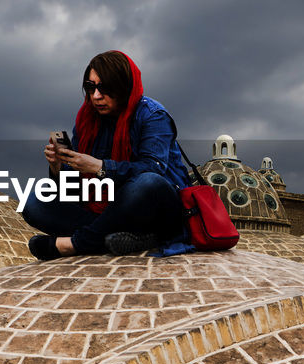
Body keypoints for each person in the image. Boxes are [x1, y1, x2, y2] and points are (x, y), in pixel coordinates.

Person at [23, 50, 191, 259]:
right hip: (104, 209)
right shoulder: (87, 121)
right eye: (91, 87)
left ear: (123, 86)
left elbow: (153, 169)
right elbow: (76, 188)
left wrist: (99, 167)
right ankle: (117, 240)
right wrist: (58, 167)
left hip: (153, 210)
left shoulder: (153, 115)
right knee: (34, 202)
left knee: (148, 182)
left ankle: (77, 244)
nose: (96, 96)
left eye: (104, 88)